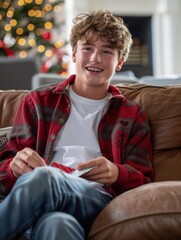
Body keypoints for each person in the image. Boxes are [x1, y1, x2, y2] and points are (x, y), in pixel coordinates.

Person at [0, 9, 154, 240]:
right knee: (57, 225)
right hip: (40, 197)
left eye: (107, 51)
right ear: (73, 54)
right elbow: (5, 168)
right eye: (88, 48)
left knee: (45, 178)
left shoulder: (130, 114)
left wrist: (116, 173)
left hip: (94, 197)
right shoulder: (38, 101)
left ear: (120, 61)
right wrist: (14, 166)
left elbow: (144, 180)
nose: (95, 58)